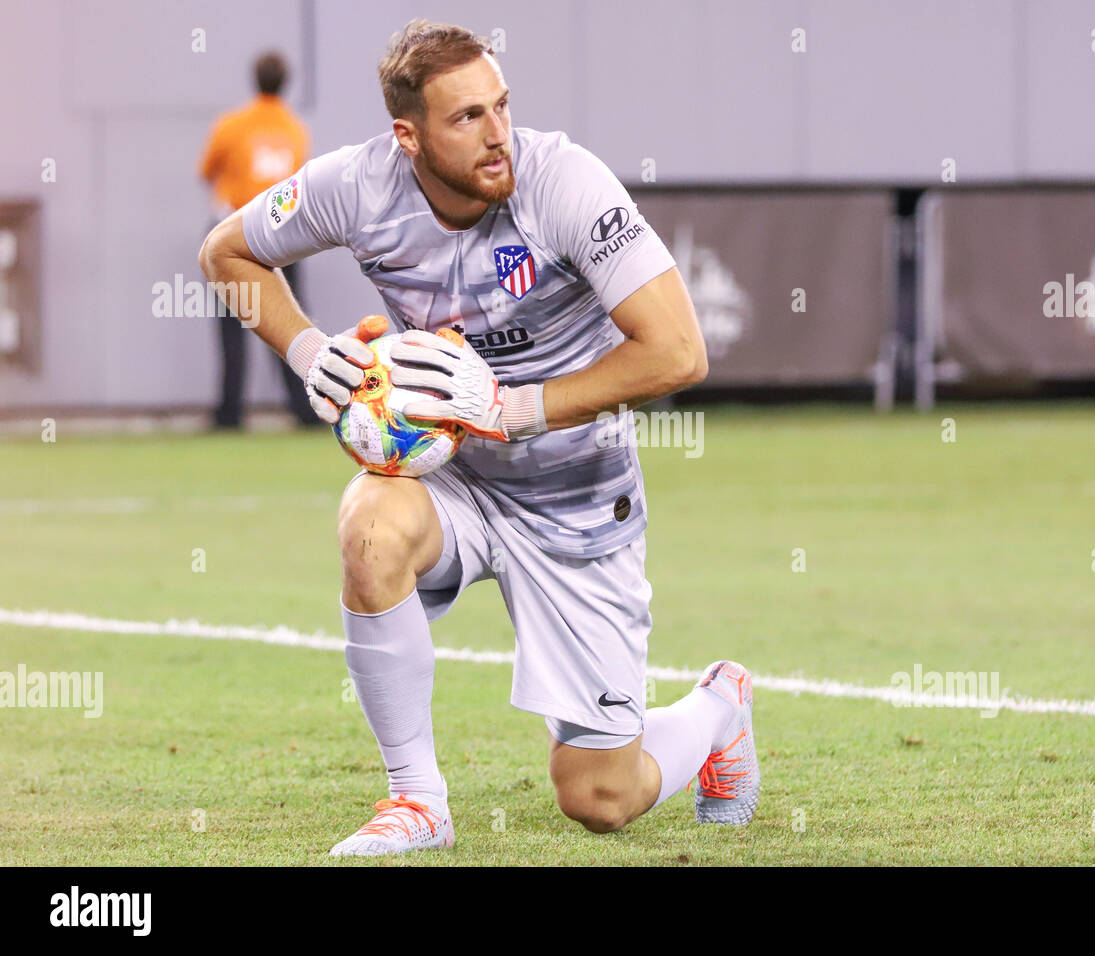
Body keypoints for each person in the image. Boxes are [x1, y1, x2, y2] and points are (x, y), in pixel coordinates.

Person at [199, 19, 758, 855]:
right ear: (408, 135)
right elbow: (226, 252)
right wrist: (309, 350)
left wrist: (514, 407)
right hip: (452, 473)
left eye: (502, 106)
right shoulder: (357, 186)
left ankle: (718, 708)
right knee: (368, 527)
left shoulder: (565, 184)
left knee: (601, 798)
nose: (498, 135)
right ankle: (417, 802)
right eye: (467, 118)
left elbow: (679, 352)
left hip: (575, 494)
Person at [199, 51, 316, 428]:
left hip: (236, 237)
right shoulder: (295, 129)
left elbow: (207, 170)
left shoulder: (231, 125)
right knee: (286, 321)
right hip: (283, 239)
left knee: (232, 327)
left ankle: (229, 414)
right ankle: (304, 410)